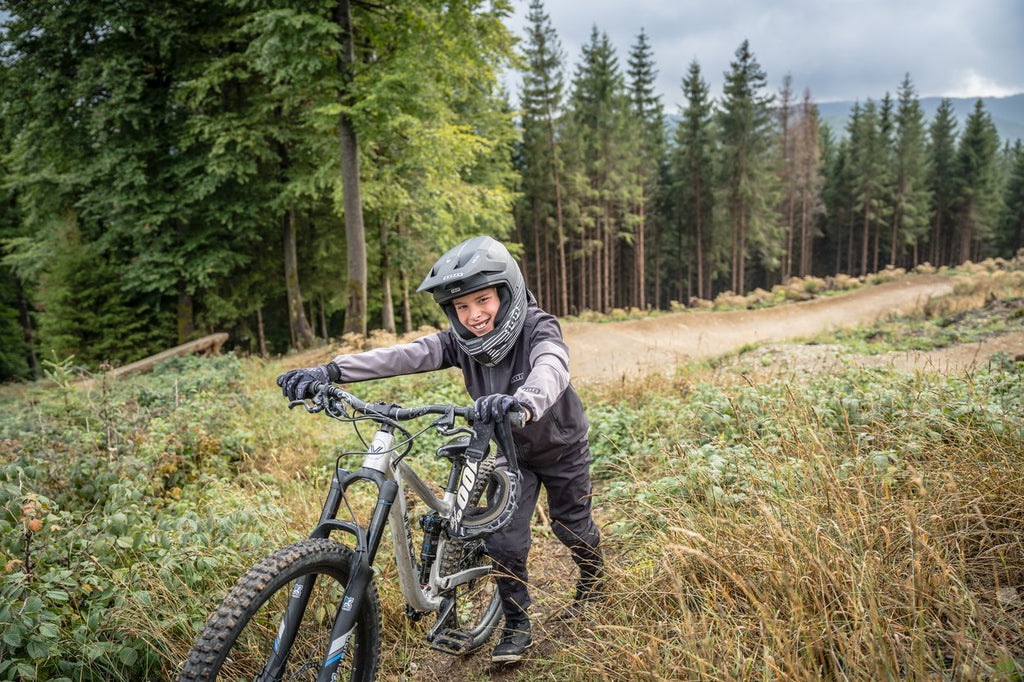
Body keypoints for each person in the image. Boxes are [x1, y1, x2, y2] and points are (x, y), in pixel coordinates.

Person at [277, 236, 603, 663]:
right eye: (461, 307)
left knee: (571, 524)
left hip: (561, 448)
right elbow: (402, 356)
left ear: (507, 292)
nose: (474, 315)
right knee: (503, 542)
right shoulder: (458, 342)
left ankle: (593, 582)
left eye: (483, 300)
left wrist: (524, 402)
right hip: (509, 453)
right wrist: (332, 370)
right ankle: (517, 623)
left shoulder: (537, 327)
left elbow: (552, 366)